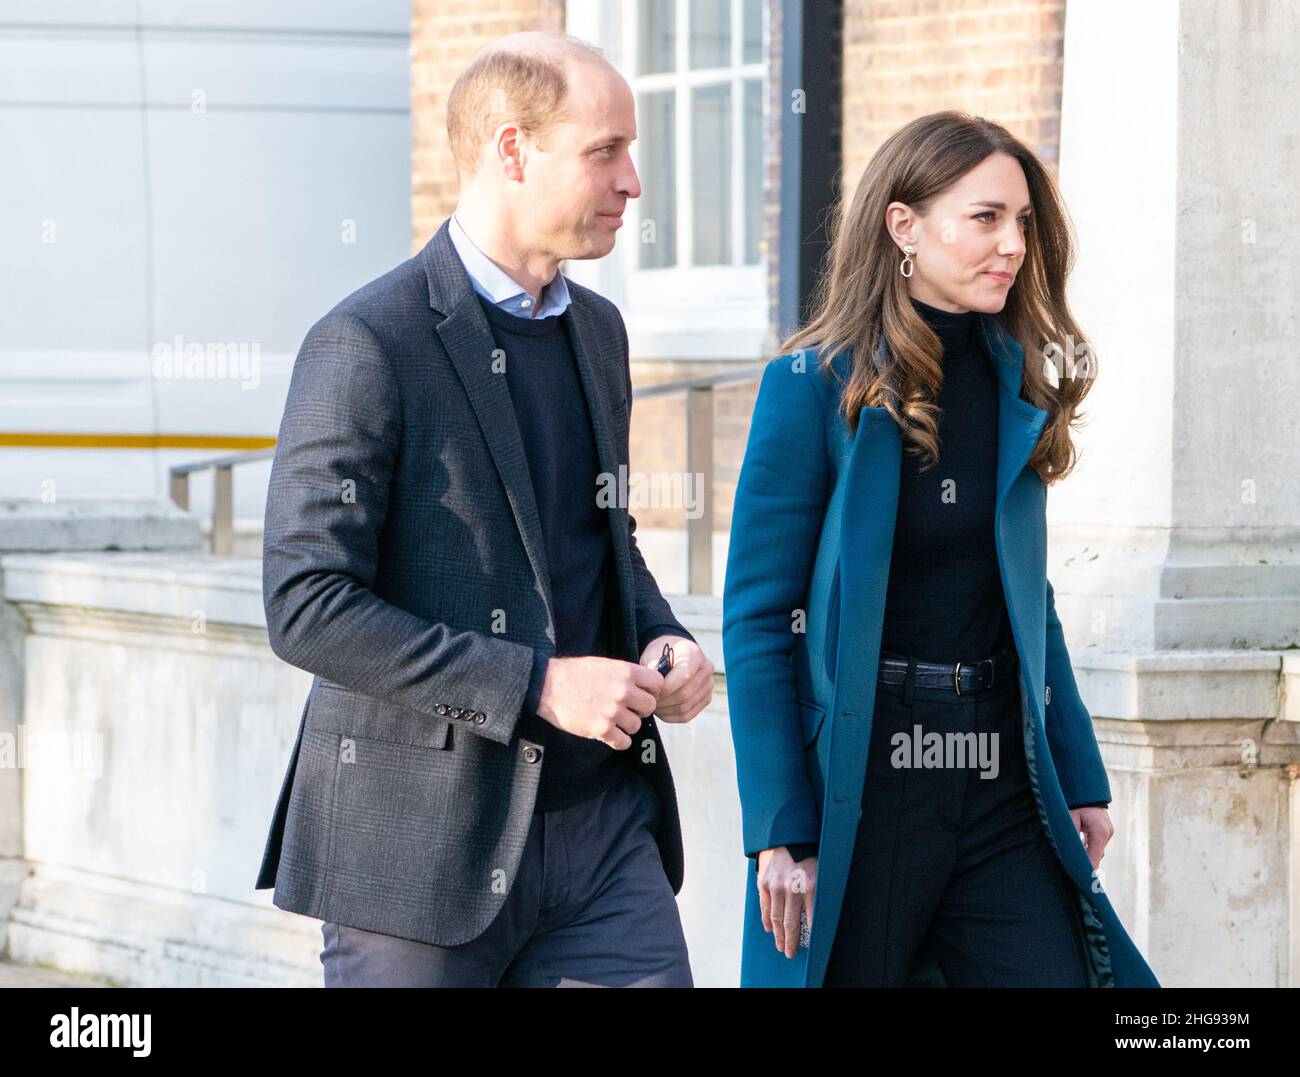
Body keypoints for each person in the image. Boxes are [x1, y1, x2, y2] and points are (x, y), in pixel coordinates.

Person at [254, 30, 713, 987]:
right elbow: (306, 604)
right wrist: (539, 684)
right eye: (606, 151)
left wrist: (664, 638)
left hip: (603, 844)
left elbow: (602, 533)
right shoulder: (365, 342)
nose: (633, 182)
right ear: (513, 150)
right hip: (416, 857)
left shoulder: (598, 331)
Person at [722, 110, 1160, 988]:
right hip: (869, 779)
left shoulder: (1019, 377)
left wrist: (1078, 770)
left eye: (1024, 223)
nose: (1012, 246)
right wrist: (780, 823)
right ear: (903, 226)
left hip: (1001, 778)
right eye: (986, 218)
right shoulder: (814, 387)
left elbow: (1025, 597)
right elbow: (760, 618)